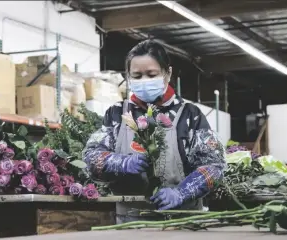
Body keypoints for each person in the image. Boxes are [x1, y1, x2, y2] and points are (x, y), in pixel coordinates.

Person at [83, 39, 226, 223]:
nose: (144, 81)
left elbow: (214, 166)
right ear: (128, 76)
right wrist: (121, 163)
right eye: (137, 75)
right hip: (129, 223)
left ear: (168, 73)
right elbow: (91, 157)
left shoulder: (190, 116)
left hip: (183, 222)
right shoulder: (118, 114)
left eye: (152, 74)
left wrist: (181, 192)